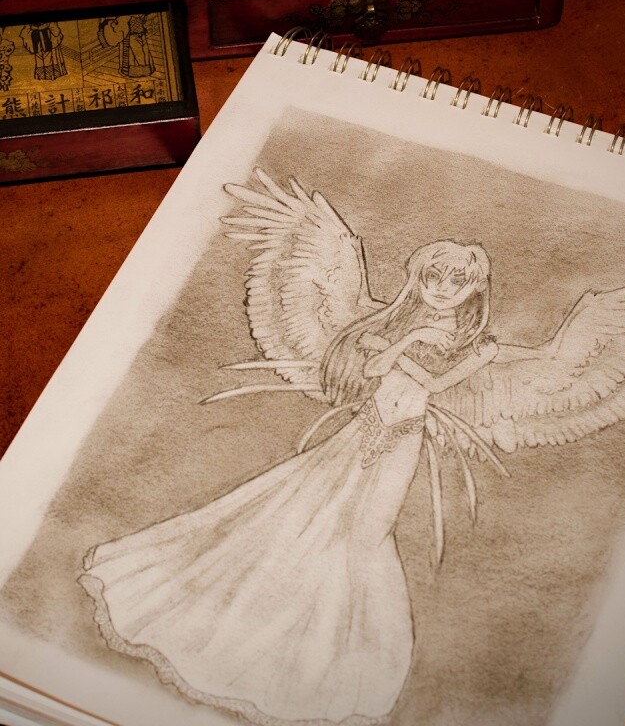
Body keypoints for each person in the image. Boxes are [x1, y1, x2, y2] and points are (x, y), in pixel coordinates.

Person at [79, 241, 498, 726]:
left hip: (402, 440)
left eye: (456, 281)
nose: (442, 288)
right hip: (364, 428)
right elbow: (373, 369)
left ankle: (335, 658)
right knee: (296, 508)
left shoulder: (480, 345)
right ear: (418, 277)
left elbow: (435, 385)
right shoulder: (402, 323)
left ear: (475, 287)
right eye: (433, 276)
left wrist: (400, 346)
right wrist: (405, 341)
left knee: (366, 535)